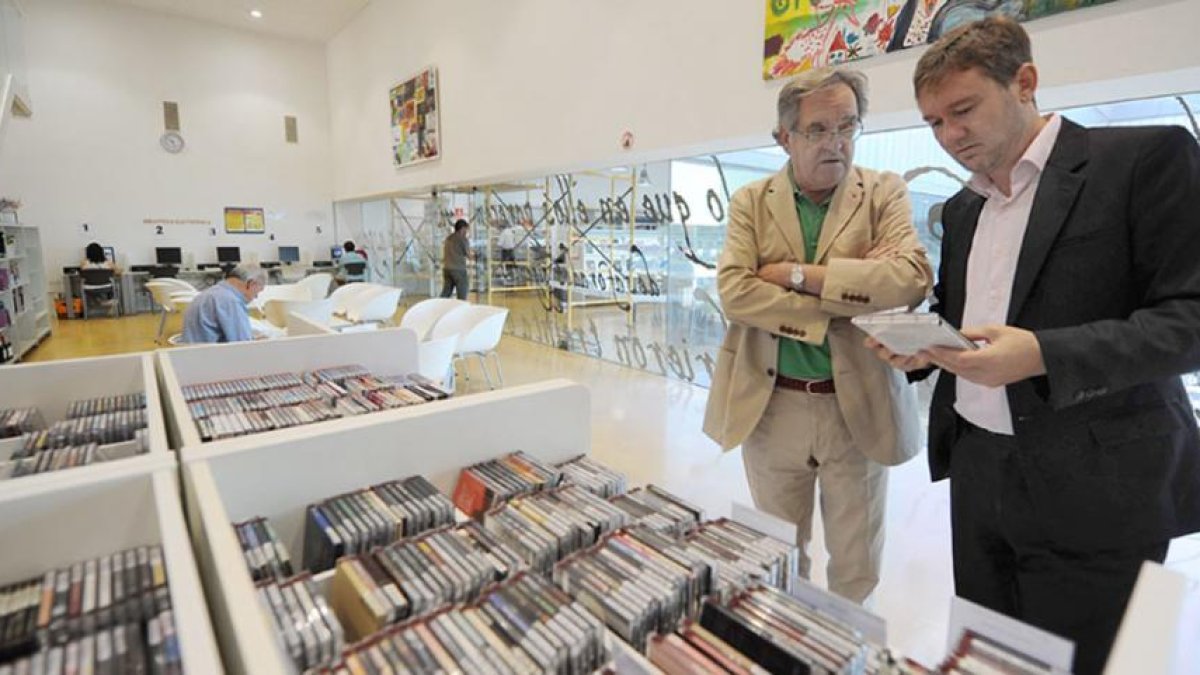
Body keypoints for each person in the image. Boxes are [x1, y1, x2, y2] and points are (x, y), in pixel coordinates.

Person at [868, 17, 1200, 673]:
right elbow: (967, 319)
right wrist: (926, 345)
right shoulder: (963, 210)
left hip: (1100, 484)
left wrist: (1042, 353)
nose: (949, 136)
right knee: (989, 654)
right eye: (934, 122)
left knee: (1087, 662)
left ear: (1025, 82)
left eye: (963, 110)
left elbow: (1189, 318)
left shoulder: (1143, 159)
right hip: (979, 473)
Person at [702, 66, 933, 604]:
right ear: (784, 138)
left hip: (860, 407)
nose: (836, 143)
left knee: (856, 564)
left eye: (848, 127)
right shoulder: (752, 203)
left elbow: (912, 280)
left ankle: (843, 654)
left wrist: (796, 276)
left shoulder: (883, 193)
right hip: (771, 404)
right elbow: (736, 292)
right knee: (776, 554)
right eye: (818, 130)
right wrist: (848, 299)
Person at [181, 266, 266, 343]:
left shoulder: (212, 293)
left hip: (195, 353)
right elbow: (244, 345)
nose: (256, 297)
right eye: (258, 291)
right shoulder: (230, 301)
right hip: (210, 356)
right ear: (250, 284)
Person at [440, 219, 471, 300]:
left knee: (446, 293)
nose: (467, 232)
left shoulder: (448, 238)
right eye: (466, 229)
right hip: (458, 270)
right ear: (462, 228)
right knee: (462, 293)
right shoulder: (462, 239)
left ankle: (438, 308)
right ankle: (461, 310)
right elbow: (469, 255)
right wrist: (478, 255)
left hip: (447, 269)